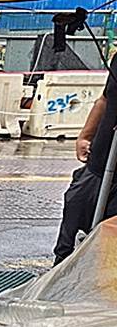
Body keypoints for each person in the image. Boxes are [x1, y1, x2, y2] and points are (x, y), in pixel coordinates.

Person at [55, 54, 117, 264]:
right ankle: (61, 269)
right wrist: (85, 135)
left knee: (108, 242)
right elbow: (105, 99)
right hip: (99, 163)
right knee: (75, 210)